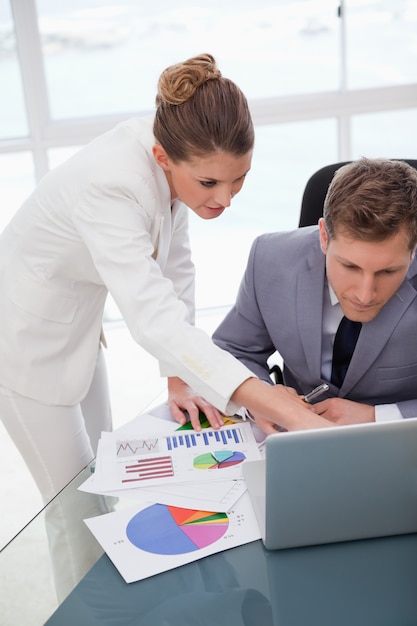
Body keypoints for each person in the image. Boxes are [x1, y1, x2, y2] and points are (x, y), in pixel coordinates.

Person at [0, 54, 331, 519]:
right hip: (24, 336)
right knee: (74, 509)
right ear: (162, 159)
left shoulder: (176, 146)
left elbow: (175, 268)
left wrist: (179, 377)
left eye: (240, 179)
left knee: (102, 478)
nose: (225, 199)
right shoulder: (112, 184)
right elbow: (151, 315)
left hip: (78, 318)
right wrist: (272, 399)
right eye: (210, 182)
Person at [213, 157, 417, 427]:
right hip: (294, 436)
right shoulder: (269, 258)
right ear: (323, 236)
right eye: (350, 266)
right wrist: (261, 399)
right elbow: (232, 351)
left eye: (388, 272)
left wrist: (376, 417)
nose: (365, 295)